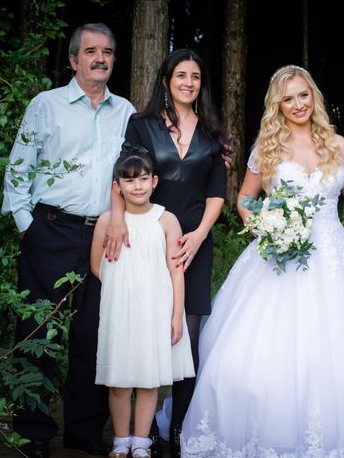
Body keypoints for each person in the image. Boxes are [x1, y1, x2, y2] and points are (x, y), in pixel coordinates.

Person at [179, 65, 344, 456]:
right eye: (287, 99)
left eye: (303, 95)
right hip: (276, 256)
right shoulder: (267, 148)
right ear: (278, 105)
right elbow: (243, 200)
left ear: (313, 96)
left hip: (333, 257)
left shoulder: (338, 145)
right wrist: (264, 227)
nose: (297, 104)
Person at [1, 23, 135, 458]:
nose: (101, 58)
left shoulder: (126, 111)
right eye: (91, 51)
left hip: (105, 233)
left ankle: (82, 430)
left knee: (94, 333)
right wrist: (29, 227)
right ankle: (35, 433)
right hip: (50, 229)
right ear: (74, 59)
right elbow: (19, 168)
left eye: (108, 52)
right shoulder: (46, 105)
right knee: (37, 329)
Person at [105, 48, 226, 458]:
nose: (188, 83)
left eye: (195, 77)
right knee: (146, 333)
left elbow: (217, 192)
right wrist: (118, 219)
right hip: (145, 238)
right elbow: (121, 175)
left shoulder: (211, 131)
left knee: (186, 337)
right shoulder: (142, 125)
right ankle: (145, 433)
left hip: (192, 243)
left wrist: (197, 236)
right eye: (181, 76)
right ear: (166, 81)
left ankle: (178, 430)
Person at [90, 147, 195, 458]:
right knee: (119, 381)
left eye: (143, 179)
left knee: (149, 380)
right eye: (129, 180)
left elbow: (176, 272)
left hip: (155, 310)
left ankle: (141, 443)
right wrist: (125, 288)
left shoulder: (166, 220)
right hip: (119, 311)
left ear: (154, 181)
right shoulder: (107, 221)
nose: (137, 186)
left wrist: (176, 315)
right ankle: (121, 441)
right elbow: (98, 267)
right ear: (118, 185)